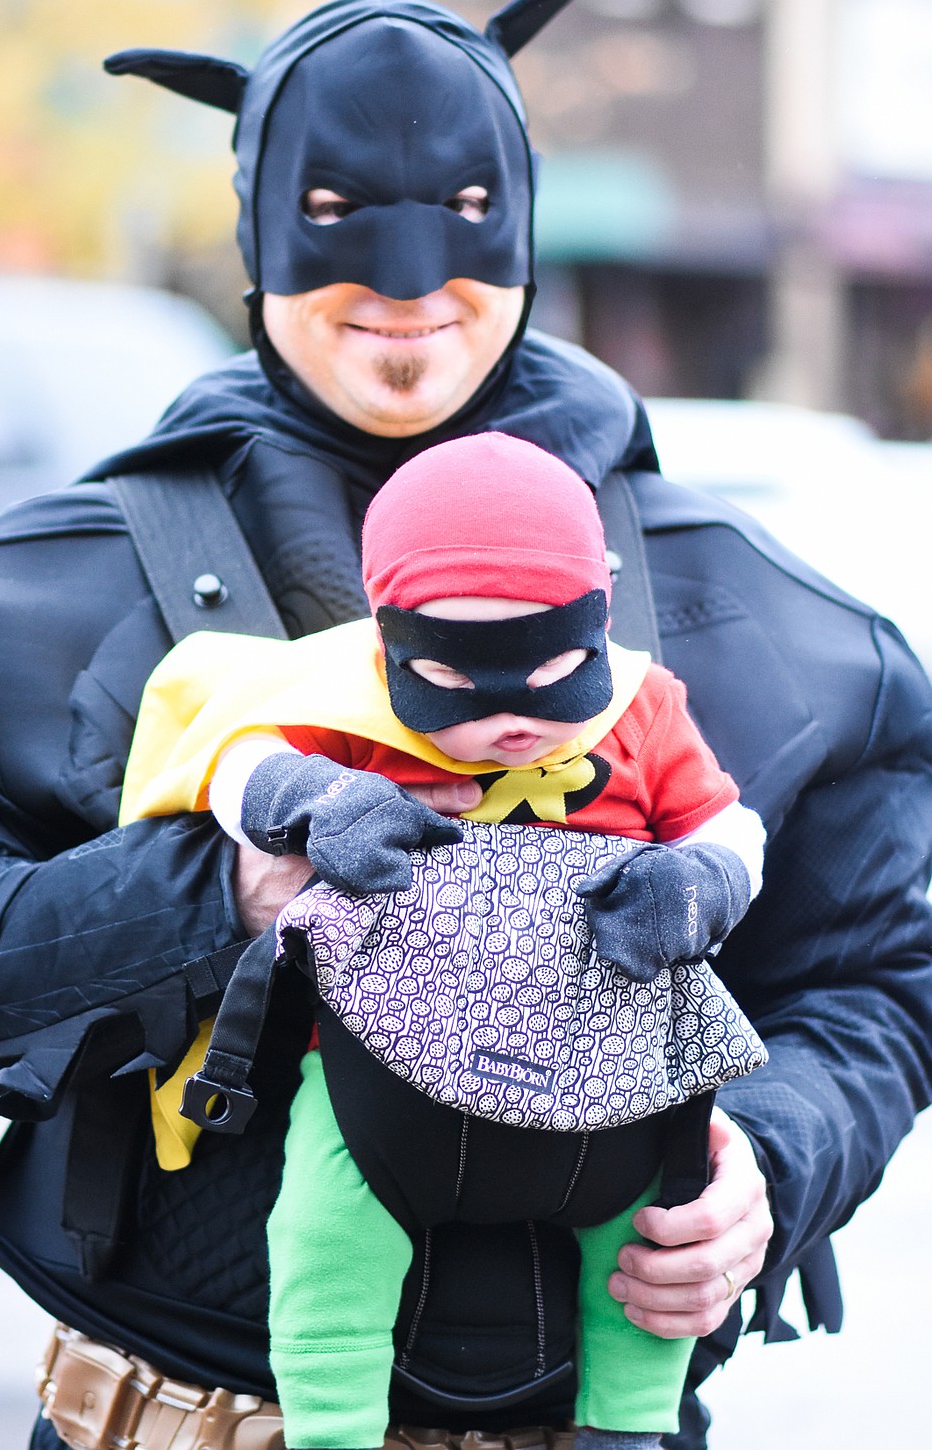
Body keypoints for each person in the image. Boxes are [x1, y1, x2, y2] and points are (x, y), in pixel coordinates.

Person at [0, 0, 932, 1450]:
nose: (405, 292)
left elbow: (874, 979)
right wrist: (208, 881)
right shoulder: (12, 608)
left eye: (458, 224)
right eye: (336, 225)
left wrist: (773, 1163)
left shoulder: (769, 620)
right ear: (257, 224)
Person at [121, 429, 768, 1450]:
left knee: (650, 1252)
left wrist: (703, 881)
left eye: (556, 668)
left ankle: (630, 1429)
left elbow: (733, 824)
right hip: (379, 1075)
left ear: (599, 617)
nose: (513, 719)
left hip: (615, 1073)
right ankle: (332, 1433)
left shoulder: (644, 711)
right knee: (325, 1237)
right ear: (388, 647)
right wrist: (309, 798)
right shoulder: (348, 703)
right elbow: (231, 756)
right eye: (456, 678)